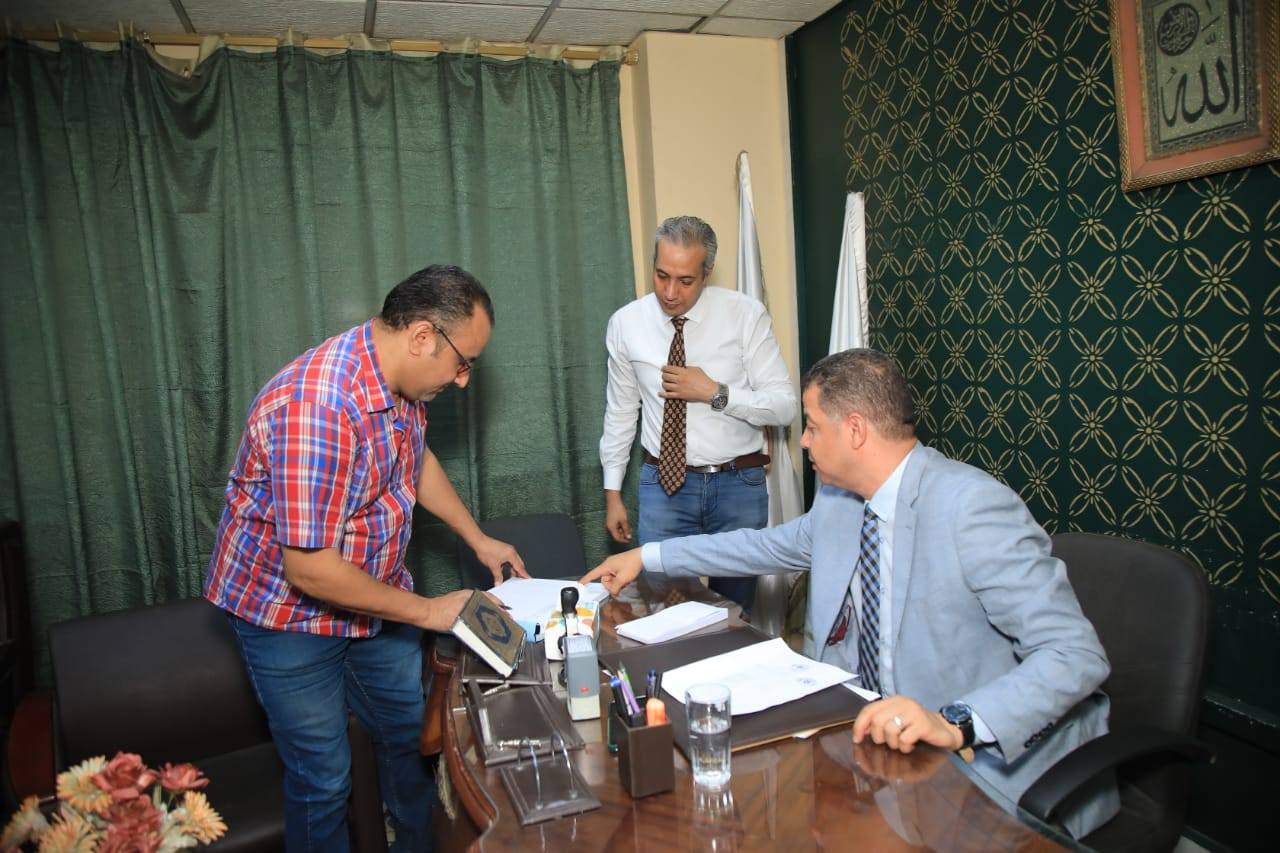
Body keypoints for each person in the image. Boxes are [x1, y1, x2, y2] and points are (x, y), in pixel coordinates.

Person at [583, 348, 1121, 838]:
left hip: (976, 762)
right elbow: (761, 547)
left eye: (814, 427)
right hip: (869, 741)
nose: (804, 441)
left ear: (856, 430)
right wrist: (648, 556)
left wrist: (955, 721)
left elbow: (1075, 654)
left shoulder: (971, 508)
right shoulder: (841, 502)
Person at [204, 265, 527, 852]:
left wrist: (476, 538)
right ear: (423, 336)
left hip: (376, 598)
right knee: (324, 780)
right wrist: (430, 611)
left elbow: (414, 460)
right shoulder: (317, 406)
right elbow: (310, 569)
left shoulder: (400, 381)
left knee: (411, 739)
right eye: (463, 363)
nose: (462, 381)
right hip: (287, 617)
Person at [599, 215, 797, 613]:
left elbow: (784, 406)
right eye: (661, 275)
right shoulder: (626, 324)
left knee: (734, 615)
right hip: (664, 487)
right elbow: (620, 412)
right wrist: (612, 493)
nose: (670, 292)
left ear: (707, 273)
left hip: (738, 485)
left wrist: (714, 393)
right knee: (664, 613)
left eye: (685, 280)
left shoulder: (745, 315)